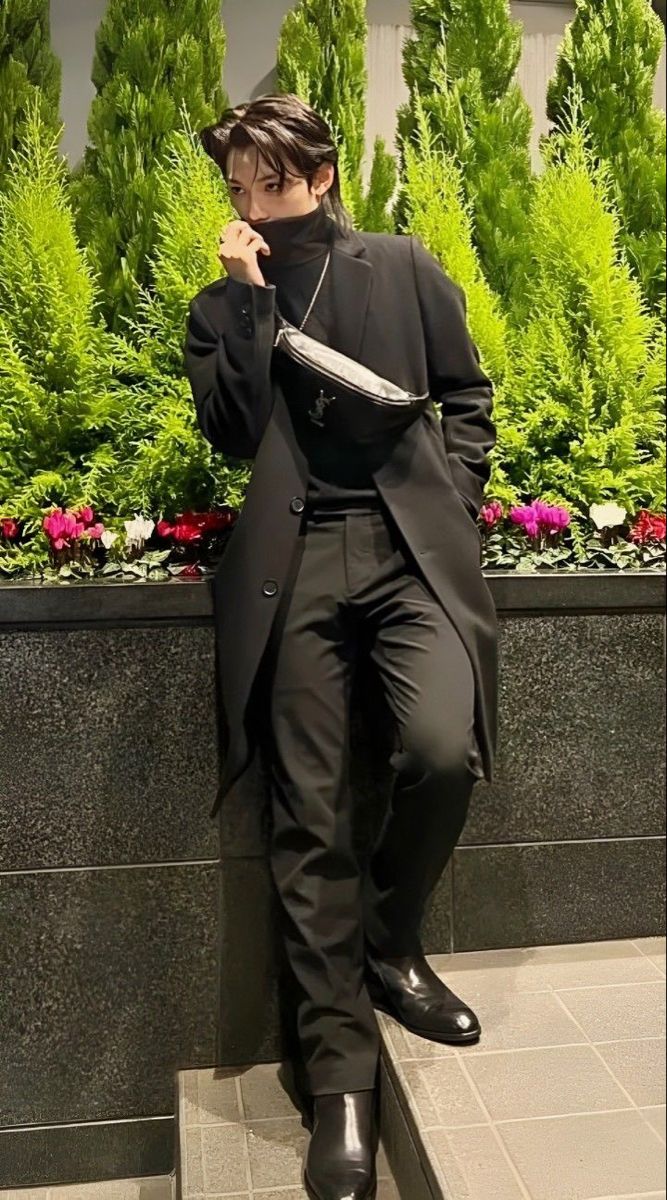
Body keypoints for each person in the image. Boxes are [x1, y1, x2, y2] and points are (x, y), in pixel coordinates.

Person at [184, 93, 498, 1200]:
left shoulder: (404, 268)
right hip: (295, 556)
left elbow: (466, 395)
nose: (252, 207)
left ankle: (389, 939)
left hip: (409, 546)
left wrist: (452, 501)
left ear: (318, 178)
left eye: (270, 185)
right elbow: (228, 432)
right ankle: (341, 1086)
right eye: (236, 189)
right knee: (307, 817)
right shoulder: (227, 296)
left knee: (439, 750)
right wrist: (240, 297)